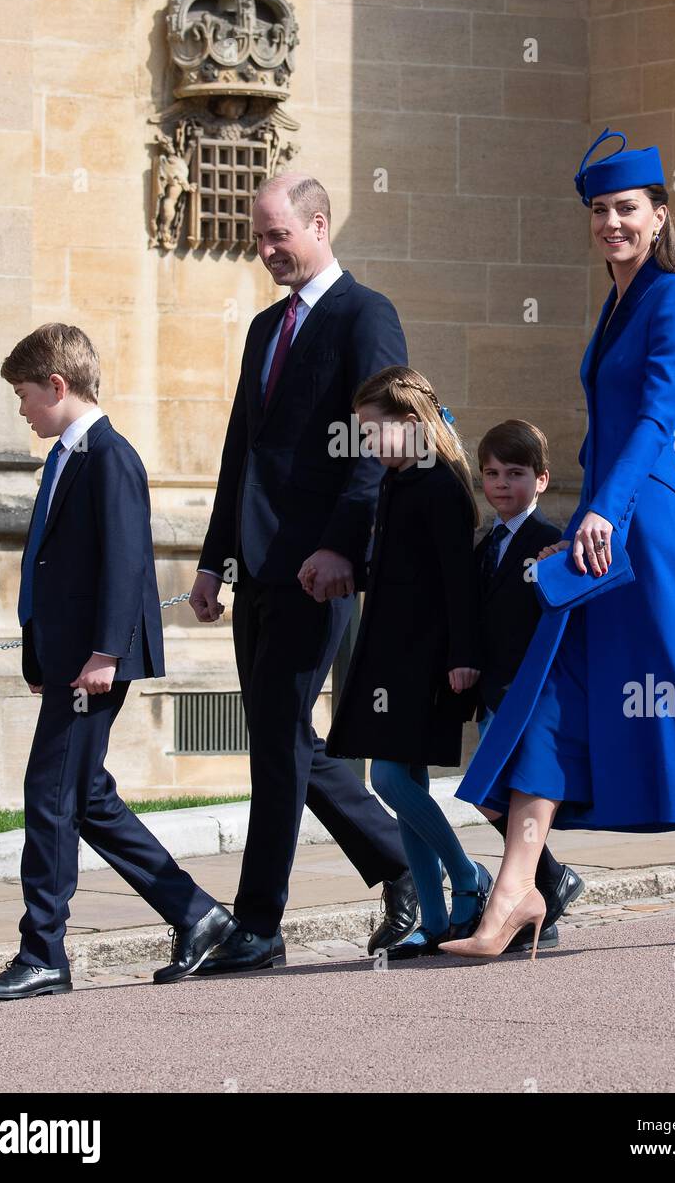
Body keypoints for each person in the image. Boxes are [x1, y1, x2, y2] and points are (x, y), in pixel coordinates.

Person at [441, 128, 675, 961]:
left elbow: (658, 418)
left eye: (627, 208)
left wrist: (605, 510)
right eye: (599, 210)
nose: (611, 223)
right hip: (603, 524)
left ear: (660, 214)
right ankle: (515, 892)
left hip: (646, 529)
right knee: (551, 696)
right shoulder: (615, 303)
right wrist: (594, 508)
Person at [189, 175, 418, 975]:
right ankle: (408, 867)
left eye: (277, 235)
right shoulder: (263, 328)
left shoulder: (366, 313)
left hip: (320, 569)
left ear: (319, 225)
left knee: (277, 743)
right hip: (255, 567)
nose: (265, 250)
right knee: (286, 739)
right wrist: (215, 559)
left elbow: (381, 440)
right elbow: (239, 450)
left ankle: (258, 924)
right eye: (258, 237)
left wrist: (342, 547)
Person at [0, 325, 238, 1002]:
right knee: (87, 799)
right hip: (68, 661)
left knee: (50, 797)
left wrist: (105, 653)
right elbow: (49, 568)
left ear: (58, 387)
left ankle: (44, 952)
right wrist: (41, 653)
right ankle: (199, 915)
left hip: (95, 664)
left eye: (26, 396)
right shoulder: (67, 456)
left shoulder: (108, 456)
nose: (22, 409)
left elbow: (125, 562)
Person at [325, 367, 489, 959]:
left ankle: (469, 876)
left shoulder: (440, 485)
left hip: (427, 659)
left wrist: (465, 655)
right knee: (402, 784)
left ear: (411, 425)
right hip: (387, 655)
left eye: (373, 432)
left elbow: (456, 581)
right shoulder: (398, 482)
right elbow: (399, 568)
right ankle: (436, 918)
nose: (365, 443)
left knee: (391, 779)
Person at [473, 419, 584, 950]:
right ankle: (550, 883)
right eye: (491, 473)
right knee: (489, 796)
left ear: (541, 479)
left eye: (515, 473)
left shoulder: (550, 543)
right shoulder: (484, 545)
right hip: (493, 689)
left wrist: (553, 567)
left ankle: (541, 888)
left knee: (501, 791)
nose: (501, 483)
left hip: (530, 689)